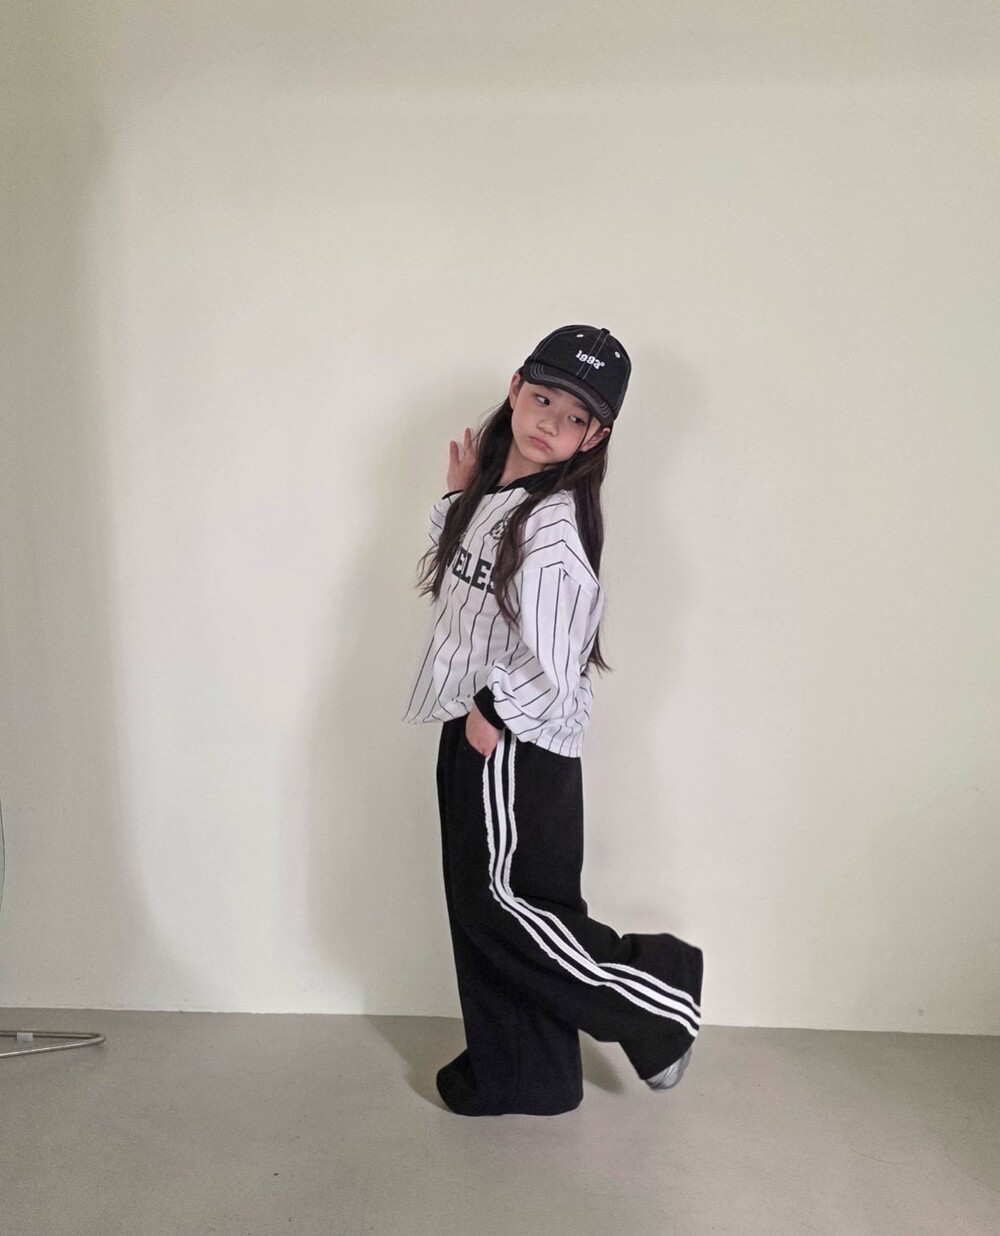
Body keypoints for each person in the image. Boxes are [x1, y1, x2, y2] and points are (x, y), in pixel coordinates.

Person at [402, 325, 704, 1116]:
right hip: (477, 721)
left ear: (594, 437)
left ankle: (658, 997)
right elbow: (465, 584)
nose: (550, 423)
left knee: (504, 906)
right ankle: (524, 1072)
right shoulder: (499, 498)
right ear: (515, 388)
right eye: (543, 399)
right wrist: (457, 500)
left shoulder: (554, 527)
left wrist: (495, 711)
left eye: (574, 418)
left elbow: (558, 655)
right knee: (485, 905)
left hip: (512, 738)